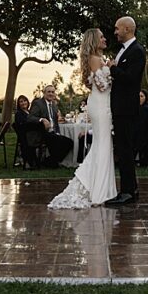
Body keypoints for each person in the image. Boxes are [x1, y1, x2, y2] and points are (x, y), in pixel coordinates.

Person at [49, 28, 117, 209]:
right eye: (101, 36)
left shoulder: (97, 59)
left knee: (103, 144)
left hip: (103, 104)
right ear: (94, 40)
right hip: (100, 104)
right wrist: (112, 69)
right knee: (102, 144)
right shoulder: (95, 59)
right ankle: (97, 190)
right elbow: (102, 86)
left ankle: (101, 188)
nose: (105, 39)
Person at [105, 16, 146, 206]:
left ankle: (128, 191)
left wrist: (113, 69)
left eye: (117, 28)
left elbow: (130, 79)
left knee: (125, 149)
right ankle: (132, 188)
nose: (115, 32)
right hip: (119, 107)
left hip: (126, 108)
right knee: (123, 148)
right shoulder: (124, 51)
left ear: (128, 29)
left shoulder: (137, 51)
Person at [30, 85, 73, 168]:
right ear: (44, 93)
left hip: (53, 132)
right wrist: (42, 119)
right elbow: (30, 118)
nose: (51, 94)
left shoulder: (53, 104)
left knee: (69, 142)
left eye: (53, 92)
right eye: (49, 92)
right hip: (41, 132)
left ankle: (49, 161)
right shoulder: (38, 103)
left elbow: (55, 119)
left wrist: (59, 120)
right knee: (58, 142)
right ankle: (51, 162)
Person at [14, 95, 45, 169]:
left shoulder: (30, 112)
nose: (23, 103)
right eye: (21, 102)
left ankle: (37, 160)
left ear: (28, 102)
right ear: (18, 104)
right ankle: (31, 161)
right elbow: (23, 125)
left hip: (33, 133)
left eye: (24, 101)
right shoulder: (19, 114)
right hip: (25, 135)